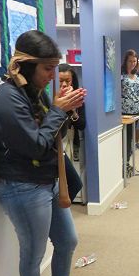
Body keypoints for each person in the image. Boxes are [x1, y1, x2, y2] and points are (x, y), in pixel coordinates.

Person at [0, 30, 90, 276]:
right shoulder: (7, 98)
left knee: (68, 240)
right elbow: (35, 145)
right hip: (22, 186)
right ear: (27, 65)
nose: (53, 75)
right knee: (33, 253)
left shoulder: (35, 92)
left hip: (46, 182)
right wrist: (59, 111)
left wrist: (65, 111)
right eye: (48, 68)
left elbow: (50, 136)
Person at [59, 63, 86, 202]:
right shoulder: (50, 97)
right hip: (53, 145)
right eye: (60, 81)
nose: (64, 85)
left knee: (74, 184)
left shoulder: (77, 98)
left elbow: (82, 125)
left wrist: (73, 110)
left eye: (67, 81)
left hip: (68, 141)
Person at [121, 49, 139, 175]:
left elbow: (138, 92)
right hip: (124, 112)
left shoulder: (137, 76)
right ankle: (124, 164)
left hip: (135, 112)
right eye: (130, 61)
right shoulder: (121, 76)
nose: (133, 63)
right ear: (126, 61)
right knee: (125, 140)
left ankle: (127, 162)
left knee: (131, 140)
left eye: (134, 61)